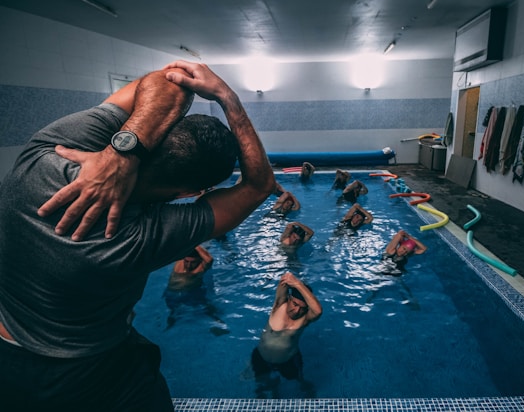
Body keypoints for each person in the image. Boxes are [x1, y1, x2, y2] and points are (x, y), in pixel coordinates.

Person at [0, 60, 276, 411]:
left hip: (6, 348)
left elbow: (169, 80)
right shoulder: (134, 238)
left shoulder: (48, 154)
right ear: (189, 193)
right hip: (83, 370)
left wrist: (123, 151)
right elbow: (259, 185)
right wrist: (228, 98)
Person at [251, 272, 322, 398]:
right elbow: (284, 279)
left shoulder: (304, 319)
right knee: (261, 383)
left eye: (302, 308)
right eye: (295, 304)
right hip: (261, 356)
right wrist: (292, 280)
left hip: (288, 361)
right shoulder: (279, 305)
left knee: (299, 381)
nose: (297, 311)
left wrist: (298, 284)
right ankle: (272, 386)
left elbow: (318, 311)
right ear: (289, 298)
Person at [164, 246, 228, 335]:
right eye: (187, 261)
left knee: (207, 308)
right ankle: (170, 326)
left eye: (193, 262)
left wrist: (195, 244)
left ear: (199, 261)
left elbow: (209, 259)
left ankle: (218, 324)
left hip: (191, 292)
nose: (189, 265)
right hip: (172, 293)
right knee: (173, 311)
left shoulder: (200, 268)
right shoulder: (179, 262)